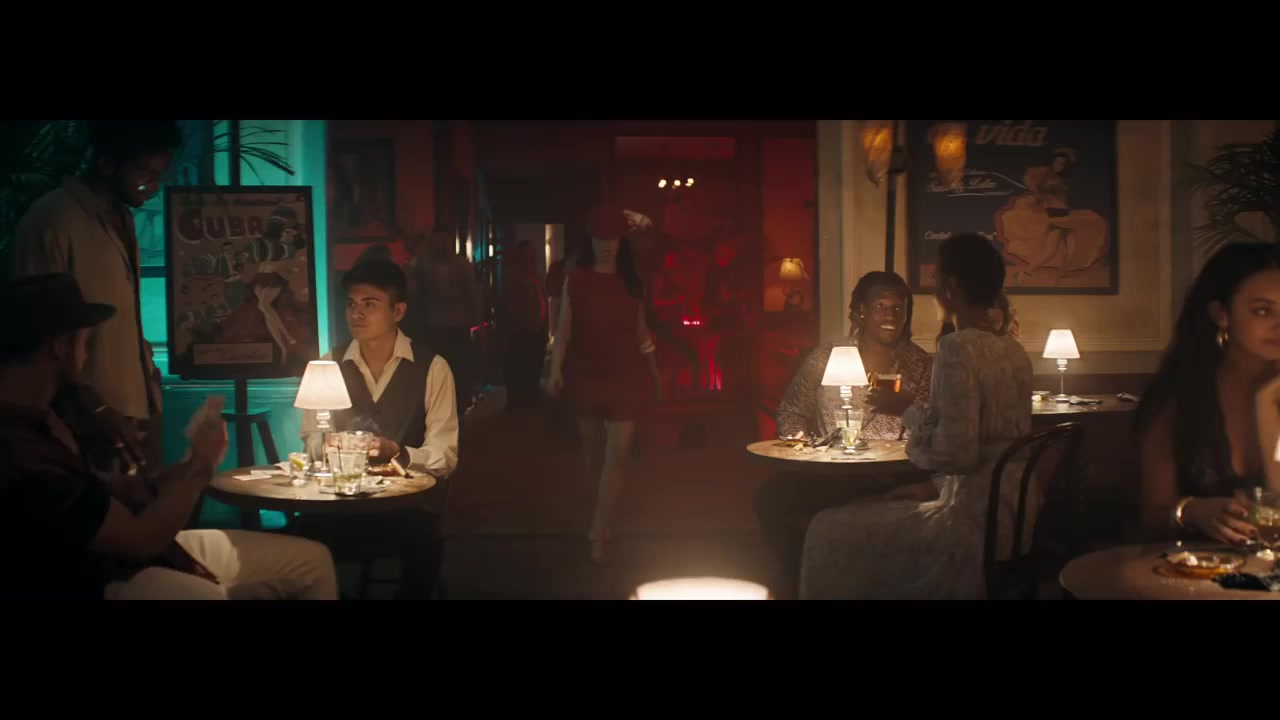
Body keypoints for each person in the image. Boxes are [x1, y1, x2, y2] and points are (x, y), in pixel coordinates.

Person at [0, 274, 339, 600]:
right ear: (59, 347)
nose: (88, 356)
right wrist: (202, 464)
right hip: (105, 575)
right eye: (85, 342)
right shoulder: (23, 453)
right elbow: (139, 540)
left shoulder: (48, 416)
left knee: (312, 560)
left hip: (133, 554)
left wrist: (170, 475)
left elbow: (97, 492)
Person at [799, 234, 1033, 599]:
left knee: (825, 526)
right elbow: (988, 450)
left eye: (937, 279)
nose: (934, 289)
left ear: (951, 288)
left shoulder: (957, 348)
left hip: (970, 527)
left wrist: (905, 409)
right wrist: (930, 487)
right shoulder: (1015, 351)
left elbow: (956, 454)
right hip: (1016, 517)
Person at [11, 120, 183, 472]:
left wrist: (149, 377)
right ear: (106, 163)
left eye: (159, 175)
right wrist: (96, 410)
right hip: (84, 424)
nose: (152, 186)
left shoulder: (122, 217)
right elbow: (33, 334)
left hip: (134, 410)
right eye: (144, 174)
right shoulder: (54, 220)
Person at [755, 271, 934, 598]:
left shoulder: (920, 364)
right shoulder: (827, 357)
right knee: (771, 498)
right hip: (829, 471)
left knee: (841, 509)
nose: (891, 316)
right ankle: (801, 584)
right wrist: (802, 448)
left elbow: (930, 428)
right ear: (861, 311)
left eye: (899, 308)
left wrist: (903, 422)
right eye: (881, 306)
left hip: (889, 474)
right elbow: (791, 410)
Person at [298, 259, 458, 598]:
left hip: (406, 508)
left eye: (370, 304)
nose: (356, 314)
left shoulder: (432, 367)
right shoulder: (329, 364)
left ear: (398, 311)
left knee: (423, 548)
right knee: (292, 540)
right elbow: (311, 438)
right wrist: (327, 446)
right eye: (351, 304)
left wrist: (397, 452)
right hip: (340, 506)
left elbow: (445, 455)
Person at [1134, 242, 1280, 545]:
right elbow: (1151, 518)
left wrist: (1267, 404)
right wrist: (1191, 511)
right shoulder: (1180, 398)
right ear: (1221, 314)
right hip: (1192, 566)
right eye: (1263, 311)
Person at [547, 205, 662, 564]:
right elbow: (564, 329)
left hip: (626, 372)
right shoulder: (577, 279)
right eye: (600, 238)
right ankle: (603, 511)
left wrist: (654, 370)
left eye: (612, 238)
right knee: (594, 452)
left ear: (621, 241)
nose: (606, 245)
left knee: (619, 450)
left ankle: (599, 527)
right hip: (586, 372)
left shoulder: (632, 281)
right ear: (591, 240)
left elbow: (641, 331)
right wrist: (555, 368)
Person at [996, 147, 1110, 286]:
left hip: (1066, 213)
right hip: (1055, 214)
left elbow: (1062, 198)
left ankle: (1060, 272)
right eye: (1057, 162)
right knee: (1051, 249)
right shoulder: (1046, 174)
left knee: (1070, 245)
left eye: (1062, 164)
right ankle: (1025, 272)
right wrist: (1040, 196)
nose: (1059, 166)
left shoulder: (1061, 178)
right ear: (1053, 162)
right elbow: (1031, 182)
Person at [404, 226, 483, 421]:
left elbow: (471, 294)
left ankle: (456, 409)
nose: (441, 246)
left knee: (456, 369)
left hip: (454, 325)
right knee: (435, 370)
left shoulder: (459, 265)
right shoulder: (422, 265)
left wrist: (476, 320)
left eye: (444, 241)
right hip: (431, 327)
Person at [501, 241, 549, 410]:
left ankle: (531, 397)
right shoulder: (515, 276)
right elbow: (512, 304)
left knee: (534, 364)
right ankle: (521, 401)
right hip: (523, 330)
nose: (533, 257)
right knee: (523, 365)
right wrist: (523, 321)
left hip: (537, 329)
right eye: (529, 253)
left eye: (534, 253)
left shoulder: (535, 275)